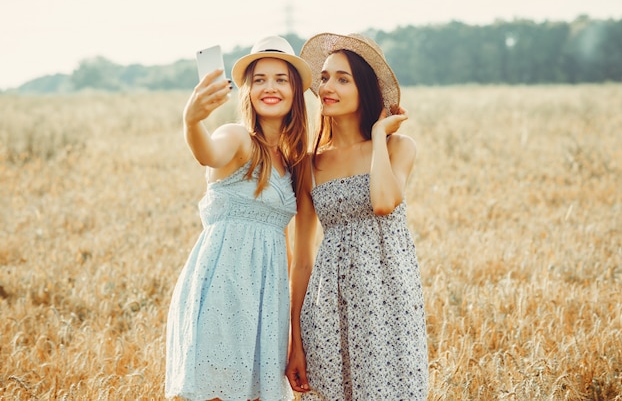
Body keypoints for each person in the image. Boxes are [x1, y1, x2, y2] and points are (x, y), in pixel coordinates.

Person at [165, 35, 312, 401]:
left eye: (280, 79)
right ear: (247, 91)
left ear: (295, 90)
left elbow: (289, 248)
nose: (270, 87)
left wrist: (294, 336)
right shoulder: (236, 138)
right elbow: (208, 153)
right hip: (222, 289)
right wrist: (192, 120)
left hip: (267, 297)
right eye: (259, 79)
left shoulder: (294, 161)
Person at [286, 33, 429, 400]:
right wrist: (295, 342)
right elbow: (302, 260)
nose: (327, 87)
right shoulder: (310, 165)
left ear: (365, 89)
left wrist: (379, 134)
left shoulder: (399, 147)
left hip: (390, 300)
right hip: (330, 304)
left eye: (342, 79)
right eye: (325, 77)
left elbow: (383, 202)